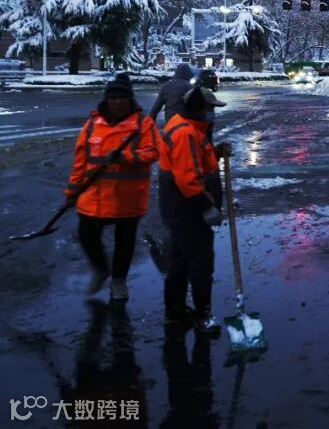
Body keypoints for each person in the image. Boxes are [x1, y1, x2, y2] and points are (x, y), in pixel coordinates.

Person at [66, 73, 160, 301]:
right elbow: (80, 161)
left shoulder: (143, 124)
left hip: (127, 197)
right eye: (113, 98)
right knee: (86, 234)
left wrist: (126, 157)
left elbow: (154, 151)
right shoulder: (92, 125)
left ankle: (119, 281)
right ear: (106, 99)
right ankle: (101, 269)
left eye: (122, 98)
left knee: (124, 243)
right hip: (93, 195)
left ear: (130, 99)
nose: (117, 102)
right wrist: (72, 191)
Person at [159, 87, 230, 334]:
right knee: (201, 264)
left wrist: (216, 153)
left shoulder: (188, 128)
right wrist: (207, 207)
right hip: (189, 211)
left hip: (178, 210)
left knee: (179, 262)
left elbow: (194, 162)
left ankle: (174, 312)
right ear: (199, 108)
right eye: (210, 109)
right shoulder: (186, 133)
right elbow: (188, 179)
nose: (212, 113)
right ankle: (203, 315)